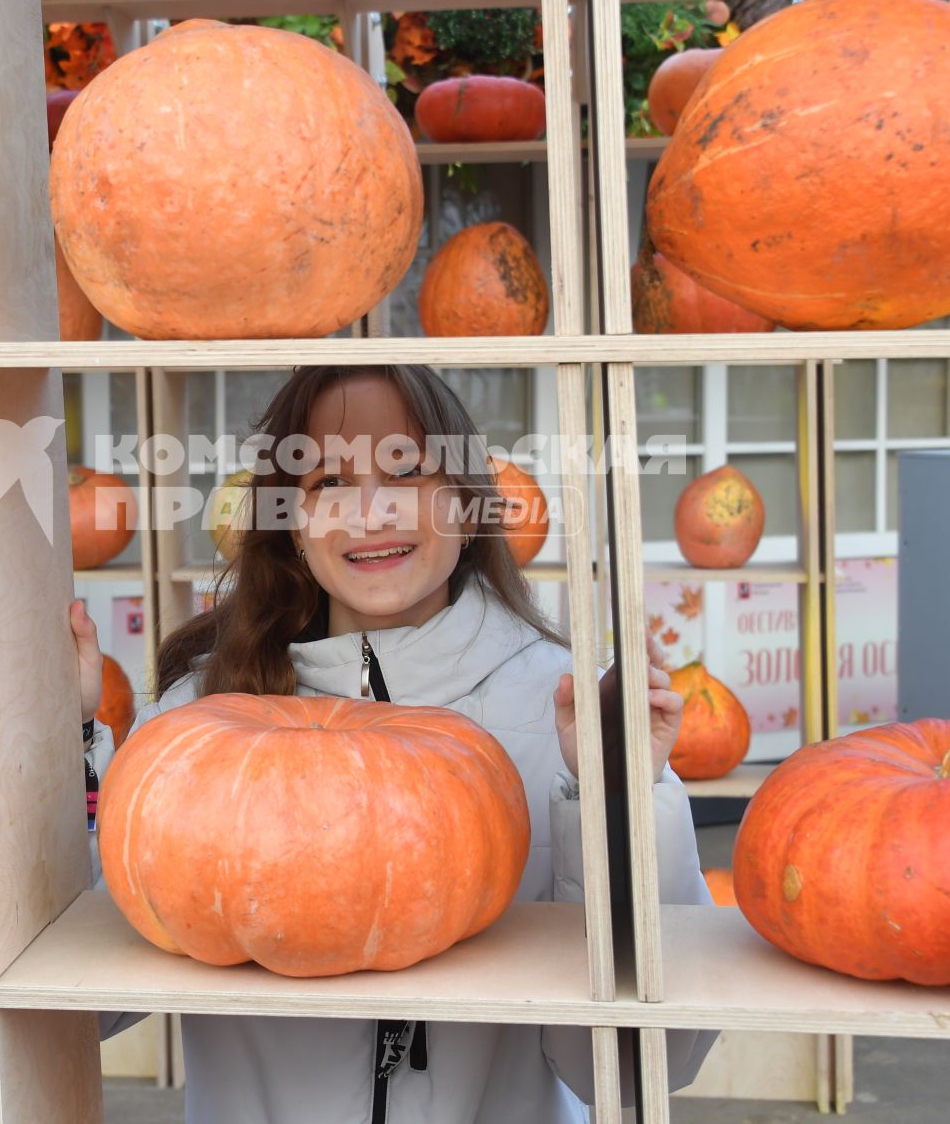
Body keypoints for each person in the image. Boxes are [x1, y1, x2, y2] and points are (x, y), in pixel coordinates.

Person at [70, 364, 716, 1123]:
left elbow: (647, 1067)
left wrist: (620, 796)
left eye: (406, 473)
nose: (372, 512)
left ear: (469, 507)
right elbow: (87, 1013)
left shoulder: (568, 709)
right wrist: (70, 746)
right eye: (330, 483)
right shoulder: (202, 716)